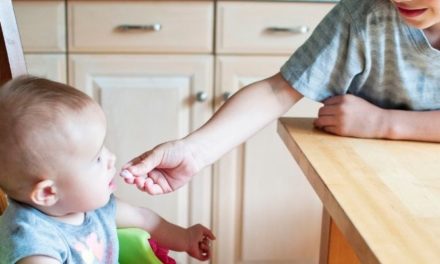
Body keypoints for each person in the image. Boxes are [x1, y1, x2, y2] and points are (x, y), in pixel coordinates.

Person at [120, 0, 440, 195]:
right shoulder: (364, 14)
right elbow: (277, 90)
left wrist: (385, 122)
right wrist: (194, 152)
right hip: (370, 187)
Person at [0, 76, 215, 263]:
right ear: (48, 193)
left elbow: (144, 218)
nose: (111, 158)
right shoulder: (35, 245)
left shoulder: (89, 205)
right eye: (97, 158)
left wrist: (186, 238)